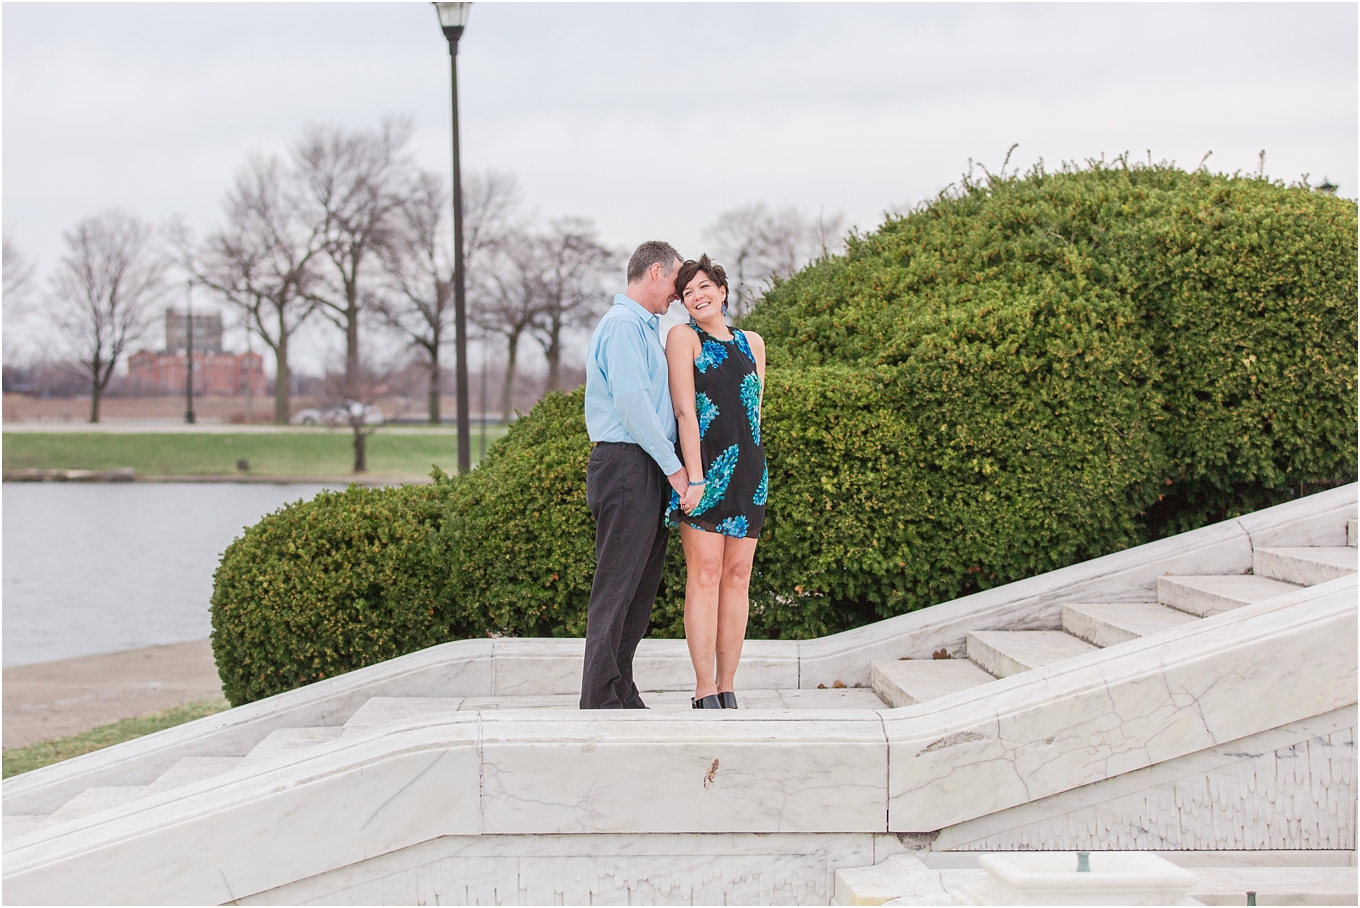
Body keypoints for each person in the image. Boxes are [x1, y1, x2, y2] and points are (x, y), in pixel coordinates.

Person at [580, 240, 689, 709]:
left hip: (642, 465)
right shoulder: (624, 326)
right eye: (676, 282)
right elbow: (632, 404)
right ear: (656, 271)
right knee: (617, 588)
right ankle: (599, 698)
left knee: (639, 592)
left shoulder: (646, 328)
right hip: (627, 464)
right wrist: (675, 468)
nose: (679, 293)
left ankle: (621, 688)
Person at [665, 255, 767, 709]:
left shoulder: (753, 343)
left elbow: (754, 413)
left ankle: (728, 686)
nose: (697, 296)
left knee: (738, 577)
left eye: (704, 286)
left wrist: (754, 472)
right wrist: (696, 477)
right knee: (704, 575)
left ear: (722, 291)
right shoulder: (683, 337)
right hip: (704, 475)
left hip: (749, 474)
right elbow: (685, 412)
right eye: (687, 292)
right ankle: (704, 687)